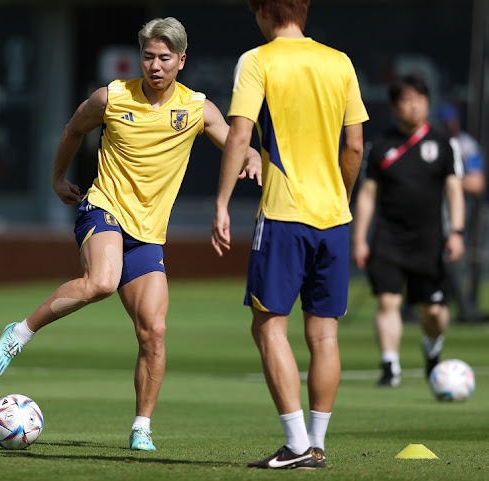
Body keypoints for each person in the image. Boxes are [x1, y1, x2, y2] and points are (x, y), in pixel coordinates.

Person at [0, 17, 261, 451]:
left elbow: (235, 143)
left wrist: (254, 159)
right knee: (102, 282)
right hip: (103, 209)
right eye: (148, 56)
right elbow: (73, 130)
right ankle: (20, 332)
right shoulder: (110, 97)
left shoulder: (196, 109)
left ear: (181, 61)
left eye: (164, 58)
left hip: (148, 233)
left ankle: (141, 428)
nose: (154, 66)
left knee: (153, 331)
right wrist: (58, 179)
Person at [212, 0, 368, 470]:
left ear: (262, 10)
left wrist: (221, 203)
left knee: (268, 325)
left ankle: (297, 444)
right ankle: (316, 444)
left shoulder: (257, 59)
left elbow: (239, 135)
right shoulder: (339, 61)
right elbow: (355, 145)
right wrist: (340, 197)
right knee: (324, 335)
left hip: (283, 214)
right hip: (334, 218)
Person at [353, 75, 464, 389]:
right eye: (407, 100)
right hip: (388, 238)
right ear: (394, 107)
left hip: (428, 241)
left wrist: (456, 231)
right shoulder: (381, 146)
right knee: (387, 301)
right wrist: (360, 238)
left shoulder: (444, 145)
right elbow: (367, 195)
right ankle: (390, 366)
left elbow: (454, 190)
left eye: (420, 100)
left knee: (433, 312)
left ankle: (432, 344)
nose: (414, 107)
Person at [437, 103, 484, 323]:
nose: (448, 125)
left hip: (463, 211)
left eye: (451, 121)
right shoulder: (434, 144)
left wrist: (449, 181)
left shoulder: (466, 146)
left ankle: (467, 308)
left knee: (458, 260)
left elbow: (477, 183)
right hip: (434, 210)